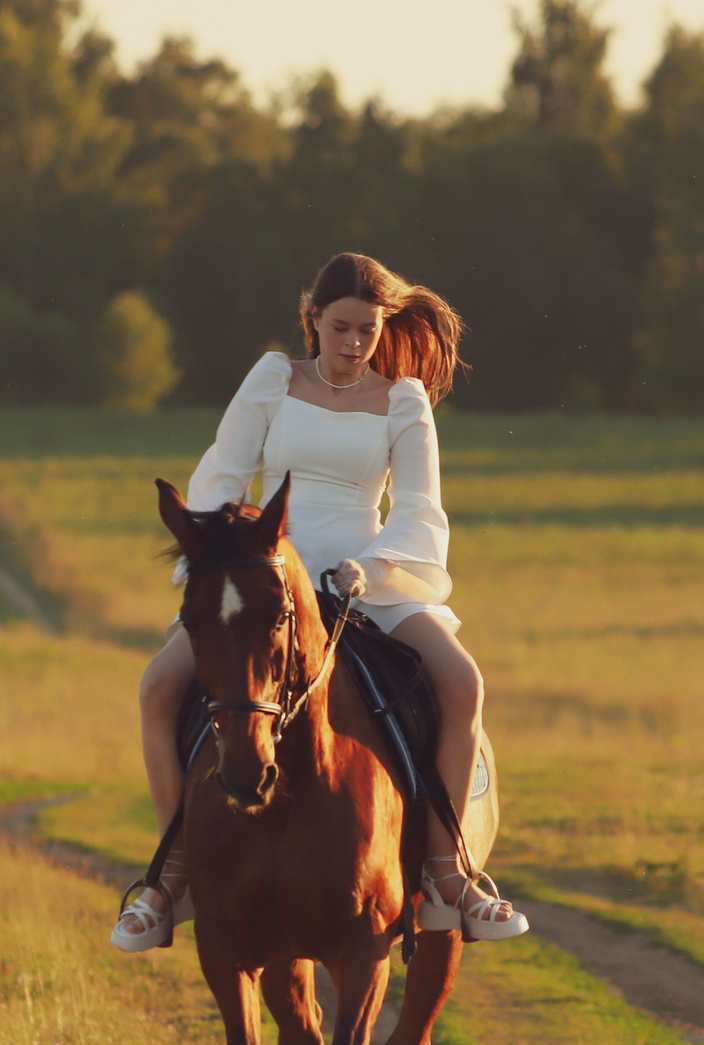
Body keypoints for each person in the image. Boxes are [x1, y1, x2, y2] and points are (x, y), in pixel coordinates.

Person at [112, 251, 529, 952]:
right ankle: (170, 875)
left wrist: (371, 566)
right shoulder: (273, 379)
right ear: (313, 321)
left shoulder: (404, 401)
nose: (354, 344)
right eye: (341, 327)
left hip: (368, 576)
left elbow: (421, 507)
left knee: (462, 681)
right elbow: (222, 475)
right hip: (265, 573)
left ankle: (448, 874)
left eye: (367, 330)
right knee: (158, 686)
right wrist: (229, 554)